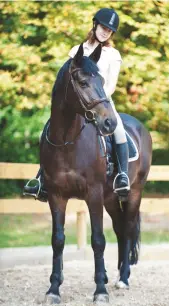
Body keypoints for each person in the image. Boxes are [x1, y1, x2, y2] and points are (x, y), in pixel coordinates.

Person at [23, 8, 130, 202]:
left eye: (109, 30)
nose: (106, 32)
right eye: (103, 27)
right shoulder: (78, 50)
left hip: (101, 100)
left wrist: (98, 100)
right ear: (95, 25)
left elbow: (111, 85)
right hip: (76, 102)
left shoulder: (113, 54)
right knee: (49, 130)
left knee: (119, 130)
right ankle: (42, 179)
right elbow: (67, 79)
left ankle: (122, 175)